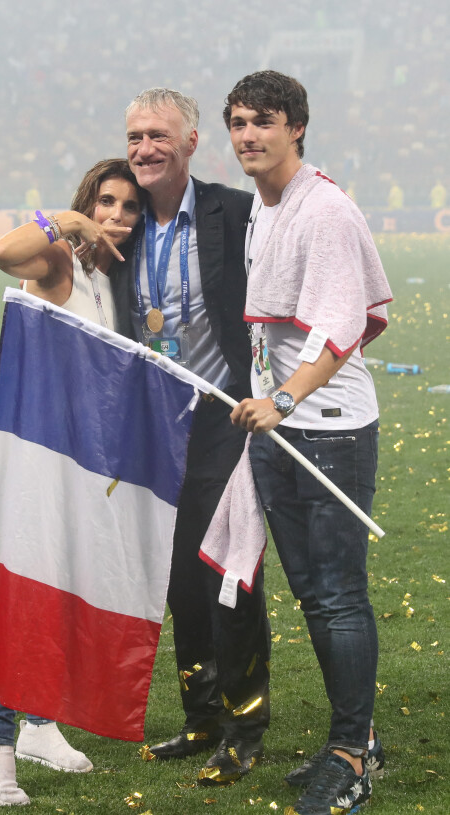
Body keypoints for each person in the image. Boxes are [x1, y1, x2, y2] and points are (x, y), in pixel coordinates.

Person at [224, 70, 392, 815]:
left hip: (326, 428)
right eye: (237, 122)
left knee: (337, 595)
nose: (247, 135)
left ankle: (354, 754)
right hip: (279, 425)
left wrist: (285, 398)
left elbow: (339, 325)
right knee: (315, 596)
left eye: (263, 121)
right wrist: (270, 402)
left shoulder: (323, 210)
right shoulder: (269, 205)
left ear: (297, 125)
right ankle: (354, 737)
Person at [0, 158, 144, 807]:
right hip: (38, 459)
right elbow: (4, 251)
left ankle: (37, 725)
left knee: (63, 592)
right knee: (31, 594)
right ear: (88, 203)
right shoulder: (62, 257)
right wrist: (63, 219)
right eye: (106, 201)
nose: (117, 216)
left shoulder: (106, 278)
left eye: (129, 207)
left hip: (82, 465)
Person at [122, 88, 271, 786]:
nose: (143, 149)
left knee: (227, 576)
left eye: (158, 135)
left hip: (223, 416)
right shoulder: (118, 224)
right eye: (133, 138)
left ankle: (246, 727)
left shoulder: (231, 211)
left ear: (190, 143)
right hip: (158, 421)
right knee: (180, 577)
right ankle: (203, 717)